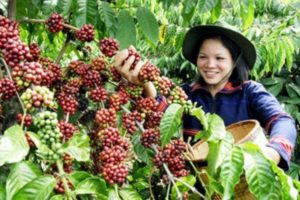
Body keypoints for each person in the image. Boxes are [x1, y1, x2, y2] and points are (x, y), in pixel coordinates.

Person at [114, 25, 297, 170]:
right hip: (196, 187)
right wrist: (144, 82)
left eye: (220, 58)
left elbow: (282, 121)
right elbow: (160, 116)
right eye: (203, 57)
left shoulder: (249, 93)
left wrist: (273, 152)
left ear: (234, 61)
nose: (210, 65)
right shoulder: (186, 94)